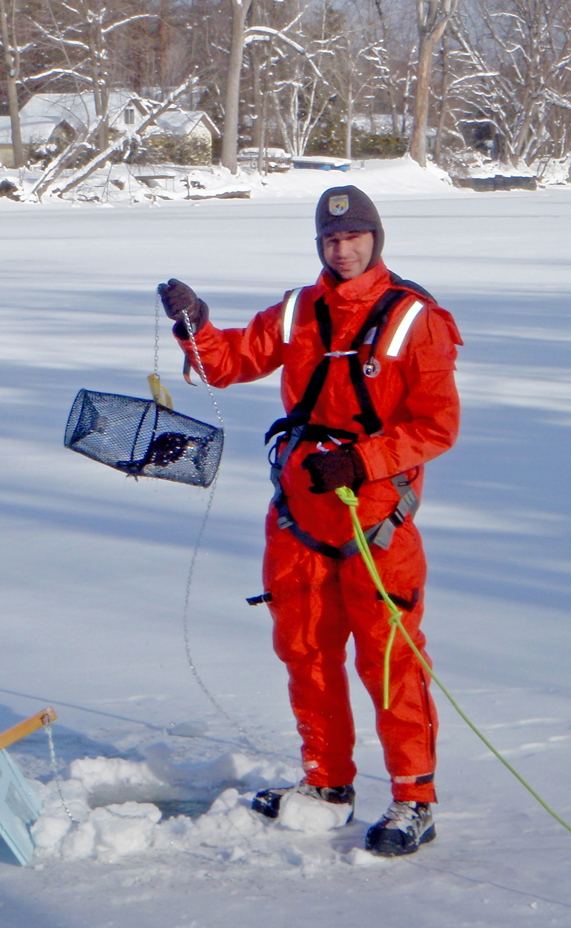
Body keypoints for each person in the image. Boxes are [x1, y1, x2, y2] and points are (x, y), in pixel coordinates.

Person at [158, 186, 462, 857]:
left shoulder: (416, 320)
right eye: (331, 240)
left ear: (375, 240)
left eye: (354, 237)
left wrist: (361, 461)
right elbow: (228, 363)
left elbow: (438, 426)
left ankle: (415, 799)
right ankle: (327, 786)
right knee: (307, 654)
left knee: (389, 663)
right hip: (298, 520)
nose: (343, 249)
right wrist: (195, 326)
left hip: (376, 523)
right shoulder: (298, 310)